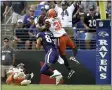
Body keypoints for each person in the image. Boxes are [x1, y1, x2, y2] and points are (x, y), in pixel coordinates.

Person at [43, 9, 80, 79]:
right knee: (74, 47)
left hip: (60, 39)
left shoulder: (48, 21)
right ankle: (73, 56)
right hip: (66, 36)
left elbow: (45, 26)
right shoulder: (58, 19)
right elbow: (54, 20)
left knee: (63, 55)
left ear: (49, 14)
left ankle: (69, 69)